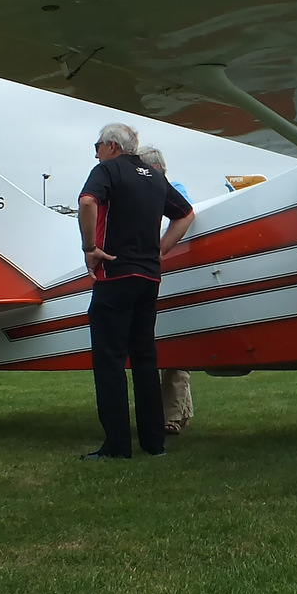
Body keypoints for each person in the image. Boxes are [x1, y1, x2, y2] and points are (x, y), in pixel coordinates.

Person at [78, 124, 193, 459]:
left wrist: (90, 247)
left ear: (112, 146)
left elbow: (87, 202)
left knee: (110, 360)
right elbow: (184, 214)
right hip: (149, 278)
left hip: (115, 275)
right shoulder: (155, 177)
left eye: (97, 144)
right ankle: (153, 442)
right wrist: (160, 251)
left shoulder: (107, 171)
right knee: (145, 359)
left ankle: (116, 445)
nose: (96, 152)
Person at [137, 145, 193, 436]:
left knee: (171, 349)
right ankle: (179, 413)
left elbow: (186, 218)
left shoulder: (170, 191)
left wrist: (159, 250)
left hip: (168, 273)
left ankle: (171, 416)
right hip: (158, 273)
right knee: (170, 348)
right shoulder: (173, 189)